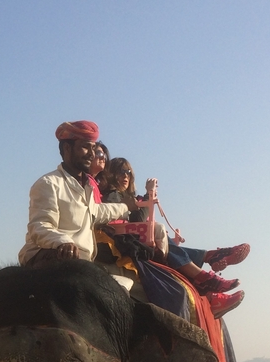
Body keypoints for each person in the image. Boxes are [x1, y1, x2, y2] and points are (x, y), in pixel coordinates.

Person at [101, 157, 249, 318]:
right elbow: (138, 221)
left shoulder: (130, 199)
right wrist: (148, 196)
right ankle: (209, 261)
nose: (126, 176)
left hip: (139, 239)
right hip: (126, 242)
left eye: (129, 172)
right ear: (111, 174)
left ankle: (210, 279)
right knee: (164, 240)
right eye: (121, 171)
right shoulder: (113, 196)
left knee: (166, 241)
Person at [18, 121, 130, 269]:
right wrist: (63, 242)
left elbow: (97, 211)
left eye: (93, 148)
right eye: (85, 147)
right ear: (67, 148)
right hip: (50, 255)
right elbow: (40, 226)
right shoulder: (49, 183)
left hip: (82, 260)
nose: (91, 154)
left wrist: (126, 207)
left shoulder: (87, 187)